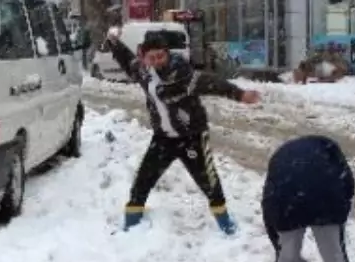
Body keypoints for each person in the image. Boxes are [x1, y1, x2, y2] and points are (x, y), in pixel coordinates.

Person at [107, 27, 261, 235]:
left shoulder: (182, 74)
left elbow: (212, 83)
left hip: (192, 137)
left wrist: (240, 94)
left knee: (209, 181)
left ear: (167, 53)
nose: (157, 61)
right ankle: (131, 226)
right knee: (143, 179)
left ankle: (226, 226)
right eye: (152, 57)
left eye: (161, 56)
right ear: (144, 56)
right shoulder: (143, 71)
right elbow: (127, 60)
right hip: (163, 138)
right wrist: (114, 43)